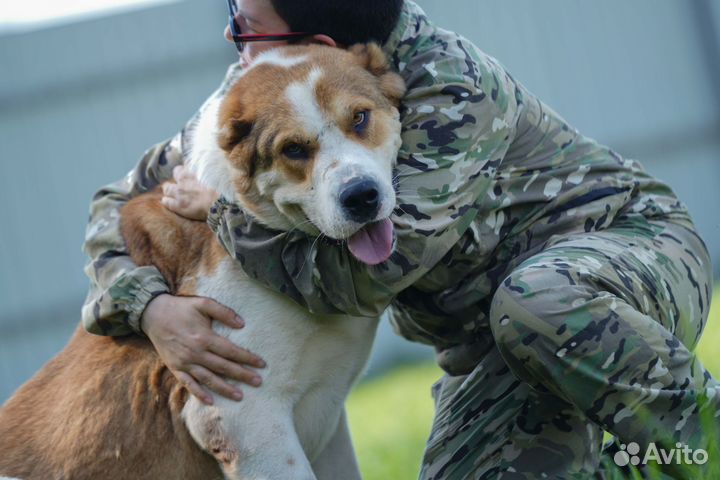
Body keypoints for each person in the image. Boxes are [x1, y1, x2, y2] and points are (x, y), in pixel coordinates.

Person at [82, 0, 717, 477]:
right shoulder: (267, 88)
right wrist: (151, 308)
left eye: (245, 23)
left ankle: (704, 444)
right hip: (492, 344)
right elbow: (117, 204)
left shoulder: (446, 83)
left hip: (626, 261)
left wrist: (225, 213)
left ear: (321, 34)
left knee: (538, 297)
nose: (234, 39)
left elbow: (368, 276)